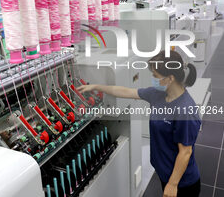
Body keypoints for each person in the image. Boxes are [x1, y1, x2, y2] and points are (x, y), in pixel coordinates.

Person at [77, 50, 201, 197]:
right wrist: (96, 87)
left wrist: (173, 184)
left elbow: (185, 152)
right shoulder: (158, 94)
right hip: (165, 172)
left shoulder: (185, 110)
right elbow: (127, 92)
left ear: (170, 78)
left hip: (182, 182)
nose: (153, 79)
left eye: (155, 76)